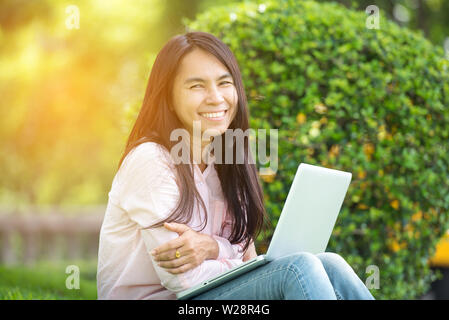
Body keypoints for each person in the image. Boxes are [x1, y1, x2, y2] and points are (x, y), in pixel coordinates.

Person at [96, 31, 375, 300]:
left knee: (330, 263)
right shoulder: (150, 160)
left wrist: (213, 248)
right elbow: (184, 279)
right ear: (168, 97)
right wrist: (227, 251)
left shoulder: (225, 160)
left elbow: (248, 256)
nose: (216, 98)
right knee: (296, 269)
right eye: (197, 86)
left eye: (224, 83)